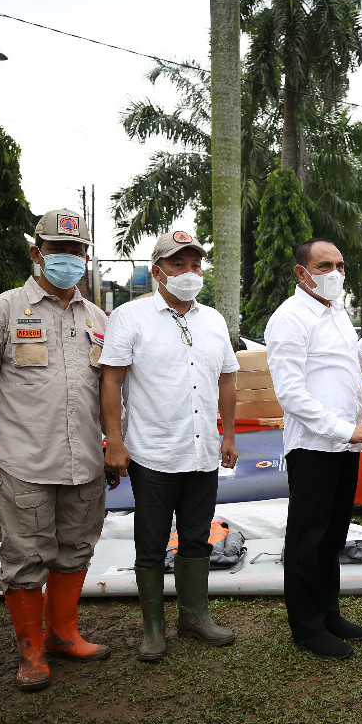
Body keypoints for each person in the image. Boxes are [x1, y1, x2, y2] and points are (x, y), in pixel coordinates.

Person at [0, 209, 109, 690]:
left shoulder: (98, 318)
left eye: (77, 251)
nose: (68, 258)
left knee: (75, 551)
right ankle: (31, 651)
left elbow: (113, 392)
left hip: (86, 461)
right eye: (58, 250)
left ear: (86, 257)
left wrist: (117, 446)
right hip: (24, 462)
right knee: (24, 557)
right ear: (37, 254)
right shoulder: (3, 310)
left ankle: (63, 634)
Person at [101, 231, 239, 661]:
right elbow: (112, 380)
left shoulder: (213, 319)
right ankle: (153, 628)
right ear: (158, 270)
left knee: (197, 539)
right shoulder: (130, 316)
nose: (189, 272)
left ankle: (195, 616)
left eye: (196, 264)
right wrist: (115, 442)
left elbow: (227, 379)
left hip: (202, 453)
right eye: (179, 264)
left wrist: (229, 434)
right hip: (153, 452)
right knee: (152, 541)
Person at [265, 238, 362, 660]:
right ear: (302, 273)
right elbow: (290, 393)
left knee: (333, 534)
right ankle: (306, 627)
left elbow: (347, 366)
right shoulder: (290, 319)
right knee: (308, 537)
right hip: (315, 445)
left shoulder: (336, 312)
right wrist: (344, 429)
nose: (335, 273)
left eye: (341, 264)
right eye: (325, 265)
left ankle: (329, 613)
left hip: (345, 443)